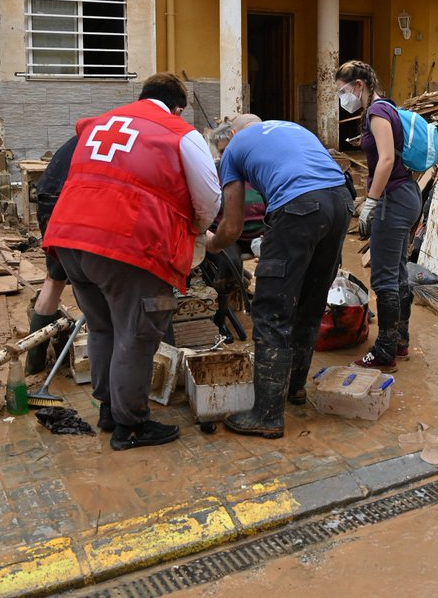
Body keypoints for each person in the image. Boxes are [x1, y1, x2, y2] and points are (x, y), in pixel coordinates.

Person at [44, 74, 221, 450]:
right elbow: (209, 198)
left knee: (102, 328)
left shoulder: (101, 123)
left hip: (70, 239)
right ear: (177, 108)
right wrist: (195, 230)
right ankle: (131, 426)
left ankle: (109, 411)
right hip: (126, 244)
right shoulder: (179, 132)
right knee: (136, 335)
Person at [206, 114, 352, 439]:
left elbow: (232, 227)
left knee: (271, 308)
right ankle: (294, 388)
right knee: (311, 301)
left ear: (232, 132)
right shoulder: (292, 128)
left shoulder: (233, 149)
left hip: (300, 205)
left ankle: (267, 415)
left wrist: (210, 243)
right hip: (341, 202)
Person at [334, 60, 421, 373]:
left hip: (392, 199)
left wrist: (371, 201)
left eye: (343, 91)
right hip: (404, 195)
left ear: (359, 85)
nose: (342, 98)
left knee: (384, 277)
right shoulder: (387, 108)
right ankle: (400, 341)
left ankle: (385, 352)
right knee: (397, 271)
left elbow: (385, 161)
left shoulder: (377, 112)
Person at [26, 134, 79, 375]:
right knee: (94, 276)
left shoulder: (87, 135)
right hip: (71, 201)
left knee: (54, 280)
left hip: (49, 197)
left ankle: (34, 364)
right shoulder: (123, 138)